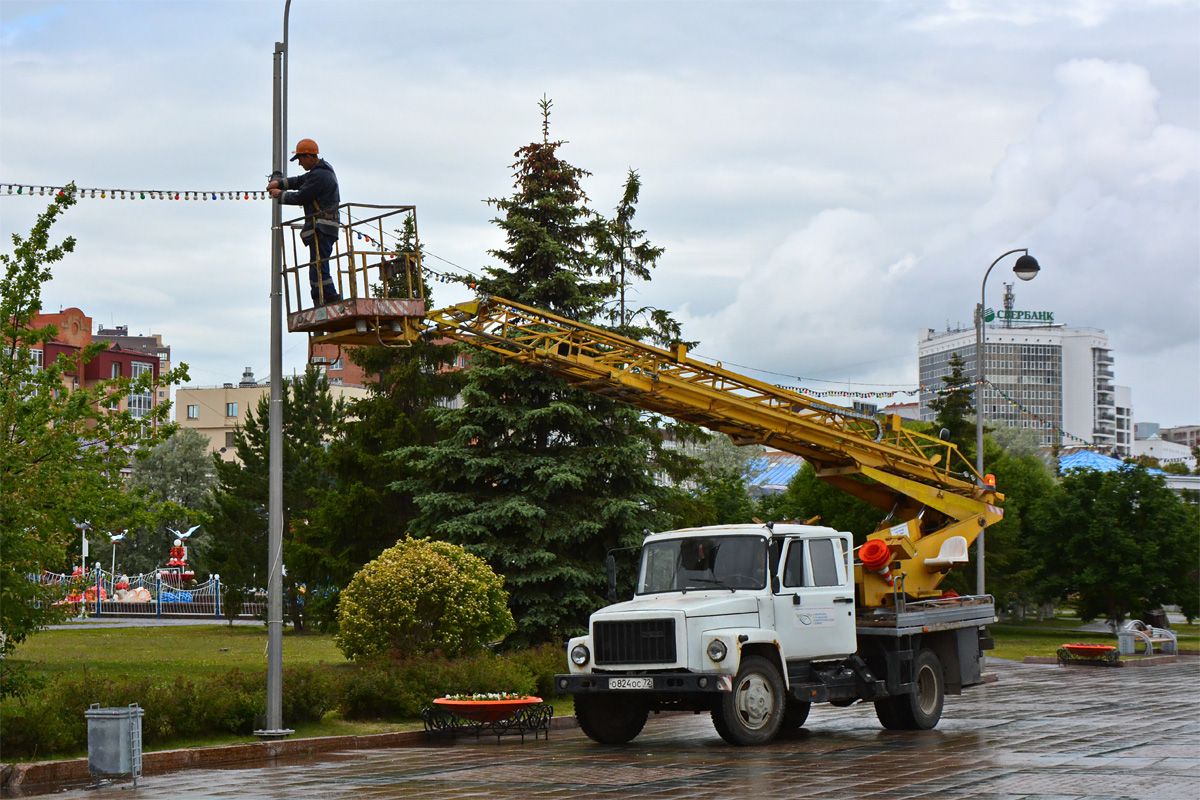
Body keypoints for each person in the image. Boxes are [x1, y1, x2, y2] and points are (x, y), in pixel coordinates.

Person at [266, 138, 342, 304]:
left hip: (322, 227)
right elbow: (299, 181)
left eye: (300, 159)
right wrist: (279, 182)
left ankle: (328, 297)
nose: (299, 163)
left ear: (309, 156)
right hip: (323, 227)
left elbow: (302, 195)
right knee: (317, 265)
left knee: (319, 265)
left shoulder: (320, 175)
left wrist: (281, 194)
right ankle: (321, 297)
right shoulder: (319, 172)